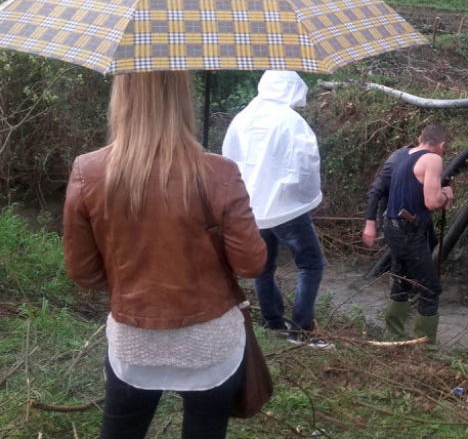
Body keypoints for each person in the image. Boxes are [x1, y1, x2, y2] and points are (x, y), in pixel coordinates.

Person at [63, 71, 266, 439]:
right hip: (210, 343)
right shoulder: (219, 172)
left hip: (134, 341)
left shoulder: (88, 171)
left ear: (120, 99)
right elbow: (251, 264)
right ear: (182, 99)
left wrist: (132, 280)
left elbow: (83, 271)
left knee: (121, 432)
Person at [222, 70, 326, 345]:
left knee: (263, 268)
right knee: (311, 265)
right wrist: (306, 197)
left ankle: (273, 324)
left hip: (251, 208)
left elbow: (228, 161)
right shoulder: (290, 121)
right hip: (285, 208)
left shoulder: (242, 118)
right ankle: (301, 330)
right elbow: (306, 163)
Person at [381, 125, 454, 345]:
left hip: (391, 225)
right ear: (442, 145)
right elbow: (432, 202)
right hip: (407, 231)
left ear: (420, 138)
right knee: (430, 288)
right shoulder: (432, 160)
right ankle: (425, 346)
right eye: (444, 149)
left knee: (402, 280)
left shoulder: (405, 154)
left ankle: (393, 335)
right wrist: (445, 194)